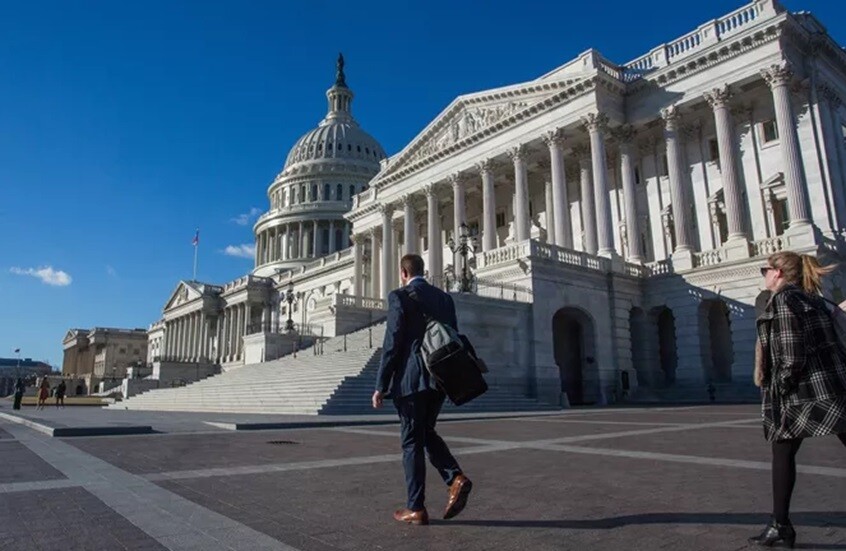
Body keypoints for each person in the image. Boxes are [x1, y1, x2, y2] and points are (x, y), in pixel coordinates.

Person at [750, 251, 846, 547]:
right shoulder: (812, 298)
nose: (763, 274)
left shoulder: (783, 300)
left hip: (805, 393)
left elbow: (791, 353)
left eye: (765, 269)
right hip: (833, 386)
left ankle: (781, 524)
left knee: (783, 454)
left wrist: (781, 386)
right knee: (782, 453)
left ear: (777, 273)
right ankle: (780, 523)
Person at [372, 254, 473, 526]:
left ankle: (416, 507)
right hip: (440, 377)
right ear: (422, 271)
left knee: (411, 444)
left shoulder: (399, 297)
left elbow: (392, 343)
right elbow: (451, 332)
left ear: (403, 272)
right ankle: (455, 478)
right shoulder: (444, 298)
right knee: (425, 432)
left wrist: (381, 385)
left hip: (411, 380)